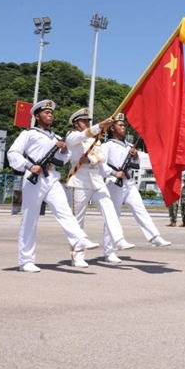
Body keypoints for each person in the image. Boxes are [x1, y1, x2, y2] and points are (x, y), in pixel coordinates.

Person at [6, 99, 99, 272]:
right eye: (46, 112)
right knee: (30, 219)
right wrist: (28, 166)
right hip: (34, 176)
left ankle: (79, 238)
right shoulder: (29, 134)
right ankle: (26, 260)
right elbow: (13, 152)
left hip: (51, 176)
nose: (50, 115)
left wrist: (63, 150)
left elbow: (62, 160)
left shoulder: (56, 137)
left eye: (51, 113)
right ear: (37, 116)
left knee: (63, 209)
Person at [64, 108, 133, 267]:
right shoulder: (73, 136)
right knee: (78, 219)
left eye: (89, 121)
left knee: (109, 209)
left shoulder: (96, 140)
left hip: (96, 178)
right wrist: (100, 125)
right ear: (76, 123)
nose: (87, 123)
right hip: (80, 178)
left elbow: (101, 159)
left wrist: (97, 164)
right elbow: (83, 136)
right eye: (84, 121)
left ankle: (118, 240)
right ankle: (78, 255)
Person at [101, 114, 171, 259]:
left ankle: (154, 237)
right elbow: (100, 165)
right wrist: (114, 173)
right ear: (112, 128)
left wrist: (135, 155)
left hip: (129, 183)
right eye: (120, 125)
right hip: (114, 183)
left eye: (123, 125)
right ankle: (110, 251)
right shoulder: (106, 145)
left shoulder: (129, 145)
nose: (123, 127)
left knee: (140, 209)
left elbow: (136, 166)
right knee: (113, 217)